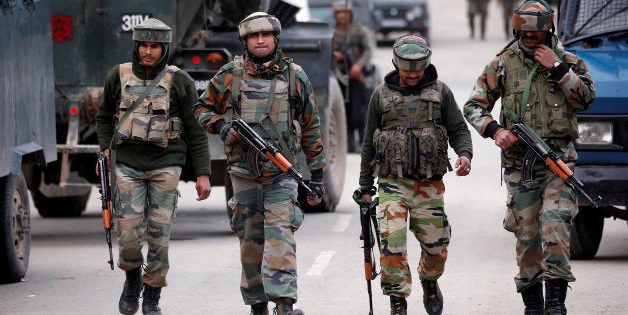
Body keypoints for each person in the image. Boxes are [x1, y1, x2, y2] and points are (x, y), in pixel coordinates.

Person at [462, 1, 595, 314]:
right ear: (516, 30)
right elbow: (473, 106)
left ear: (548, 30)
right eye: (524, 34)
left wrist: (558, 68)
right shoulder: (502, 64)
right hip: (520, 167)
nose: (531, 39)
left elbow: (586, 98)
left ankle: (556, 305)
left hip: (558, 163)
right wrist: (495, 130)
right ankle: (533, 305)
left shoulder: (568, 61)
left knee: (556, 224)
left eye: (536, 34)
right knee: (527, 236)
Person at [192, 12, 326, 315]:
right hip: (243, 173)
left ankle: (285, 303)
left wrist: (316, 174)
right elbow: (201, 108)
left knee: (281, 236)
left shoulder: (295, 76)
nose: (261, 40)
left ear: (275, 39)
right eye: (254, 36)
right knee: (251, 241)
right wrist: (221, 127)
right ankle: (257, 304)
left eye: (266, 35)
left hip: (281, 173)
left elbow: (310, 125)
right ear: (246, 41)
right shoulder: (231, 75)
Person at [95, 18, 212, 315]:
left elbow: (195, 129)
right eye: (144, 45)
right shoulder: (117, 76)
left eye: (155, 46)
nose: (148, 52)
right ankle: (132, 280)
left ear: (165, 48)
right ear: (137, 46)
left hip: (166, 164)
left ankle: (152, 297)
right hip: (127, 164)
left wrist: (202, 174)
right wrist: (106, 151)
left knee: (160, 235)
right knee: (129, 232)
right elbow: (103, 116)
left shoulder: (180, 80)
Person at [357, 34, 473, 315]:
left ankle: (429, 280)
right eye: (406, 69)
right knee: (392, 246)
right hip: (392, 184)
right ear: (396, 64)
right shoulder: (380, 95)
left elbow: (459, 129)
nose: (411, 74)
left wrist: (465, 155)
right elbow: (369, 142)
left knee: (436, 248)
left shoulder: (440, 93)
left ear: (426, 65)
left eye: (417, 69)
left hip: (429, 185)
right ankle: (398, 302)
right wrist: (365, 186)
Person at [331, 0, 376, 153]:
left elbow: (368, 51)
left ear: (350, 14)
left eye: (345, 13)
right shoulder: (332, 32)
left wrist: (359, 65)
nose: (342, 16)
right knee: (345, 109)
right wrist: (335, 56)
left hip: (358, 76)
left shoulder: (359, 31)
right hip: (341, 77)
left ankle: (364, 142)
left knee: (361, 110)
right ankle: (348, 144)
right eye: (339, 13)